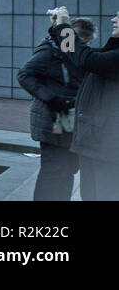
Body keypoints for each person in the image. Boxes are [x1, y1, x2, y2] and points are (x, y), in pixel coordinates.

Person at [18, 13, 93, 200]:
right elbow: (24, 75)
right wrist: (53, 99)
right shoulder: (50, 52)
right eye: (84, 42)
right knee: (54, 170)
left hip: (65, 118)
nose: (84, 47)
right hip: (54, 118)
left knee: (66, 170)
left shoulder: (64, 52)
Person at [51, 11, 119, 200]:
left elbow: (86, 59)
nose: (113, 20)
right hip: (97, 143)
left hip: (108, 147)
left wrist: (63, 28)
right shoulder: (111, 51)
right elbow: (78, 59)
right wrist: (58, 29)